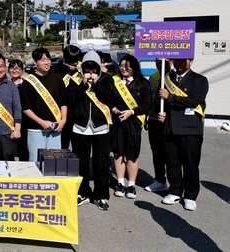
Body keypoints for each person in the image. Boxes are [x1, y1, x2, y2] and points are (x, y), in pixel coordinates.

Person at [158, 58, 208, 211]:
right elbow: (158, 100)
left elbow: (193, 101)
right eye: (176, 61)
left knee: (190, 164)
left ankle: (190, 195)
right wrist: (161, 113)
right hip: (170, 127)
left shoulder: (199, 80)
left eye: (182, 61)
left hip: (190, 129)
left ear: (191, 61)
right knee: (172, 162)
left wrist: (170, 97)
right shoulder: (167, 79)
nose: (179, 64)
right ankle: (175, 191)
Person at [70, 50, 116, 211]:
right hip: (80, 128)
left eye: (93, 69)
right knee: (81, 163)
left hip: (101, 128)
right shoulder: (76, 80)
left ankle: (101, 195)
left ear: (98, 68)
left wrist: (96, 84)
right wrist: (83, 84)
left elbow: (110, 98)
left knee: (101, 163)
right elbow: (70, 99)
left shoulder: (107, 79)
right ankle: (83, 192)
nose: (90, 73)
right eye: (87, 69)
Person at [110, 54, 151, 200]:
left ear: (134, 67)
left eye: (127, 66)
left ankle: (131, 185)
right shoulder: (114, 81)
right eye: (121, 66)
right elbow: (108, 99)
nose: (124, 69)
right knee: (118, 153)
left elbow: (147, 105)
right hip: (117, 123)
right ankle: (120, 183)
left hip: (133, 123)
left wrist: (131, 112)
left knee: (132, 155)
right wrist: (113, 108)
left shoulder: (143, 84)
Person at [19, 47, 67, 162]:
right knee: (35, 161)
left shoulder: (57, 79)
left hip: (55, 128)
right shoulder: (28, 82)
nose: (47, 62)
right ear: (35, 62)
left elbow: (63, 102)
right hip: (36, 130)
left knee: (54, 162)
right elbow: (25, 108)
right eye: (43, 59)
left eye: (48, 59)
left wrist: (63, 120)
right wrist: (41, 122)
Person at [145, 58, 171, 193]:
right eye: (157, 60)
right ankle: (160, 180)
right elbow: (150, 99)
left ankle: (175, 185)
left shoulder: (173, 78)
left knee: (170, 153)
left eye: (163, 60)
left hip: (169, 122)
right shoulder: (153, 77)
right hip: (154, 120)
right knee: (156, 152)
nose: (159, 63)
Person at [51, 44, 83, 150]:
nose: (71, 64)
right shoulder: (55, 71)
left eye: (74, 62)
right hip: (60, 114)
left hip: (78, 114)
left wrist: (76, 71)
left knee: (78, 147)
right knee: (61, 147)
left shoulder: (81, 71)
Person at [8, 59, 28, 161]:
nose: (15, 71)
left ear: (22, 70)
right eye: (12, 68)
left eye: (18, 68)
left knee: (23, 148)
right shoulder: (5, 84)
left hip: (24, 120)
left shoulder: (27, 84)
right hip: (8, 119)